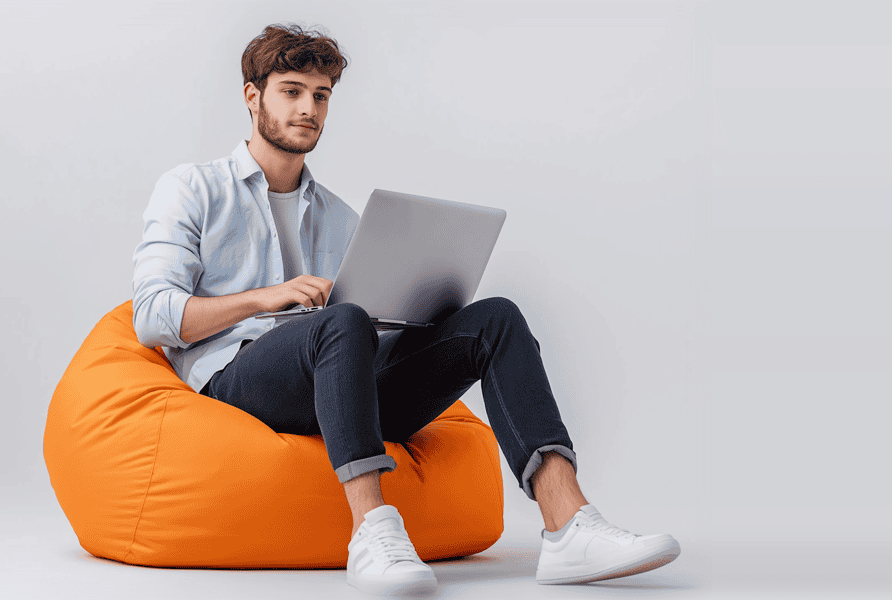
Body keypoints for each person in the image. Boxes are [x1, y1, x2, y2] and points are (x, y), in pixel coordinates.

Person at [131, 23, 681, 596]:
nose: (308, 109)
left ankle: (568, 525)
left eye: (321, 96)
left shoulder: (342, 217)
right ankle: (372, 532)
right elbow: (152, 316)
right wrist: (265, 297)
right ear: (253, 96)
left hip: (341, 386)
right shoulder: (192, 189)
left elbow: (367, 326)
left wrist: (420, 314)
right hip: (236, 382)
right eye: (291, 91)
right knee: (338, 322)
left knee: (495, 318)